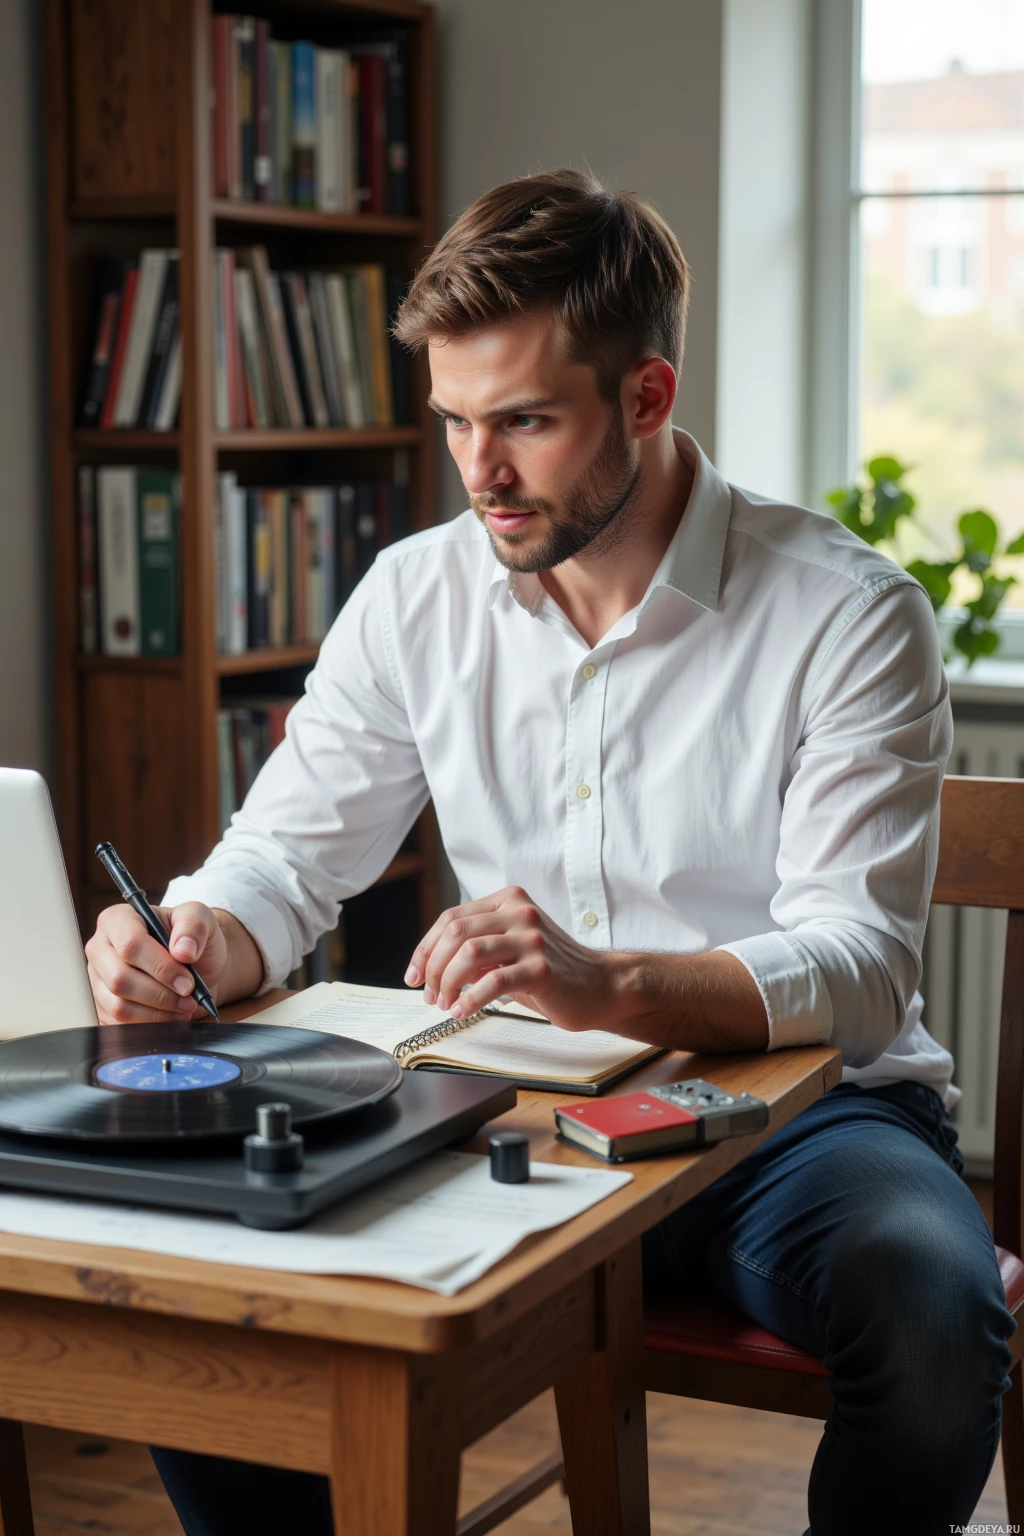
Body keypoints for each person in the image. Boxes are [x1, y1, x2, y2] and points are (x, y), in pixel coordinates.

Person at [85, 168, 1013, 1536]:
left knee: (935, 1316)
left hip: (801, 1128)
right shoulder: (417, 594)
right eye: (456, 419)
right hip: (497, 1116)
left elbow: (862, 969)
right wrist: (198, 933)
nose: (480, 473)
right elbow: (283, 856)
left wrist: (612, 983)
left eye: (525, 421)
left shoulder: (848, 614)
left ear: (646, 397)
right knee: (212, 1286)